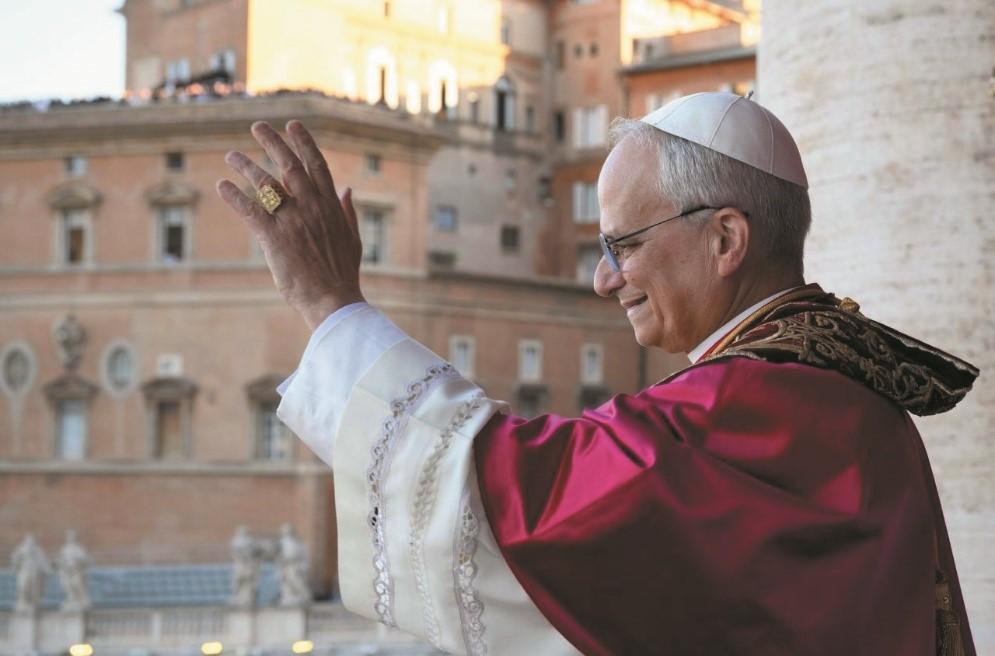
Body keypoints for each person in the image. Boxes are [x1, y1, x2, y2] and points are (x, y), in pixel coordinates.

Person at [217, 92, 977, 655]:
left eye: (624, 245)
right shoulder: (849, 391)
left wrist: (329, 304)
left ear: (724, 238)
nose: (603, 280)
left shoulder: (751, 403)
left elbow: (516, 492)